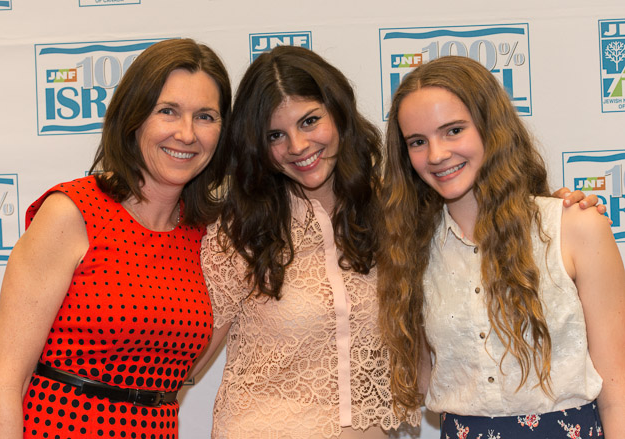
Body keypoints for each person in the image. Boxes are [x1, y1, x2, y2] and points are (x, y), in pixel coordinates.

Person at [192, 46, 600, 439]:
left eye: (310, 121)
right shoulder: (243, 233)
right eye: (275, 135)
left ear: (338, 113)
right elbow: (185, 359)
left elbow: (487, 224)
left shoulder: (396, 217)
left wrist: (559, 209)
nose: (297, 146)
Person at [0, 38, 231, 439]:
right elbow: (5, 383)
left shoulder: (206, 237)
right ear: (133, 118)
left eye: (205, 116)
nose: (186, 134)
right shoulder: (72, 213)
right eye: (167, 111)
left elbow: (187, 369)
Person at [378, 55, 625, 438]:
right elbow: (420, 380)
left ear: (491, 127)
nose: (436, 154)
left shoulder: (575, 227)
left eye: (453, 130)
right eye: (418, 142)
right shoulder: (411, 252)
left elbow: (618, 388)